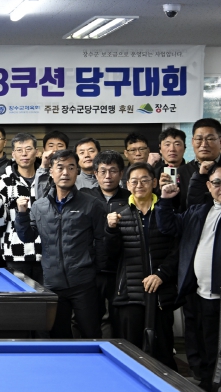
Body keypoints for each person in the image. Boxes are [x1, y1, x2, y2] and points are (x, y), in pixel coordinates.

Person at [15, 149, 107, 339]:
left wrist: (96, 270)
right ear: (51, 171)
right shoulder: (39, 206)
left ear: (77, 171)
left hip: (84, 283)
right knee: (59, 336)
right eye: (60, 167)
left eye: (71, 167)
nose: (65, 172)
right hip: (53, 284)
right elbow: (27, 237)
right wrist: (22, 213)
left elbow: (102, 240)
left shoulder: (92, 204)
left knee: (91, 334)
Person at [104, 162, 179, 369]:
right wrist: (110, 230)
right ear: (127, 185)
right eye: (134, 181)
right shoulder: (117, 213)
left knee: (163, 353)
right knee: (131, 354)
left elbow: (178, 250)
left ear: (154, 183)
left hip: (160, 293)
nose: (139, 185)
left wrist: (161, 274)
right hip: (130, 294)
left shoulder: (166, 210)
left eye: (144, 180)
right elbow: (110, 256)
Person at [156, 165, 221, 392]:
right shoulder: (200, 211)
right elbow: (168, 226)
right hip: (200, 292)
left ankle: (214, 390)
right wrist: (165, 201)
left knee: (217, 349)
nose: (220, 187)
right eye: (217, 183)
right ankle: (207, 387)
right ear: (209, 186)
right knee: (205, 344)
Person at [81, 150, 131, 337]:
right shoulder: (85, 197)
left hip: (121, 270)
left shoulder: (130, 198)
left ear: (121, 173)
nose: (108, 176)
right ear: (95, 173)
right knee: (89, 319)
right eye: (103, 171)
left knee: (120, 320)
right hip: (91, 269)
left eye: (113, 171)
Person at [0, 133, 43, 283]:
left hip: (46, 253)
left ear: (36, 152)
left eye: (28, 149)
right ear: (13, 154)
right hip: (16, 254)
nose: (24, 154)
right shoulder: (4, 182)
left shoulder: (47, 180)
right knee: (20, 297)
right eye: (19, 150)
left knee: (46, 296)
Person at [172, 118, 221, 212]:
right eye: (199, 139)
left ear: (220, 141)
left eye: (210, 139)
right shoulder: (181, 172)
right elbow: (175, 209)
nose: (204, 144)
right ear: (192, 142)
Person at [35, 130, 71, 197]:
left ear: (66, 149)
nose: (55, 149)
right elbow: (40, 196)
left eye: (60, 146)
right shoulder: (38, 170)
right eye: (51, 146)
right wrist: (44, 166)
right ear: (44, 149)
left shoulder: (72, 170)